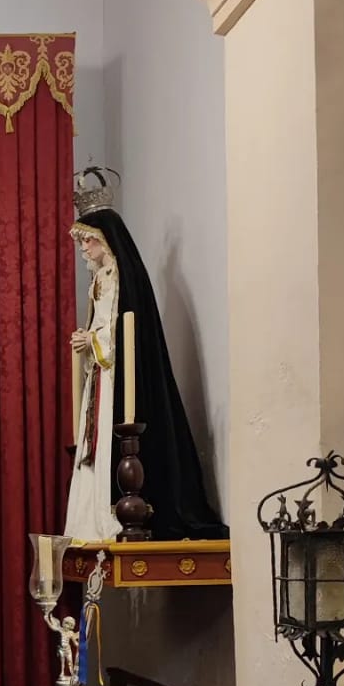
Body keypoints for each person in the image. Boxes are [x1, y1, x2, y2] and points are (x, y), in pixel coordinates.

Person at [65, 200, 226, 543]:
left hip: (116, 373)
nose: (83, 248)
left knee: (114, 436)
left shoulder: (124, 278)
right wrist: (88, 339)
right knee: (95, 442)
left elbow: (124, 329)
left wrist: (92, 340)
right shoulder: (100, 280)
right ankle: (89, 520)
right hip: (101, 374)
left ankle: (116, 514)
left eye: (88, 240)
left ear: (106, 240)